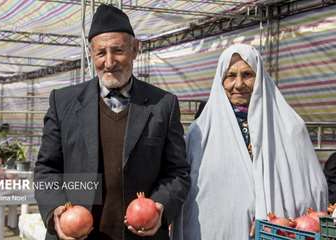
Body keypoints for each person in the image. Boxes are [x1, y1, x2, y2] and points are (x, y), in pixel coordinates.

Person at [34, 4, 190, 240]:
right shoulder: (63, 102)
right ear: (91, 53)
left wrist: (160, 207)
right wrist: (58, 210)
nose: (109, 62)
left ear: (135, 49)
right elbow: (46, 170)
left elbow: (177, 172)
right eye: (100, 53)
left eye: (118, 50)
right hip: (77, 235)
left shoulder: (163, 105)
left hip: (142, 234)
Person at [172, 44, 328, 240]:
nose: (238, 84)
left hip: (277, 233)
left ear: (260, 77)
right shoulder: (200, 132)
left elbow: (314, 188)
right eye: (231, 76)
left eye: (247, 74)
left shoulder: (290, 128)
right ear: (220, 80)